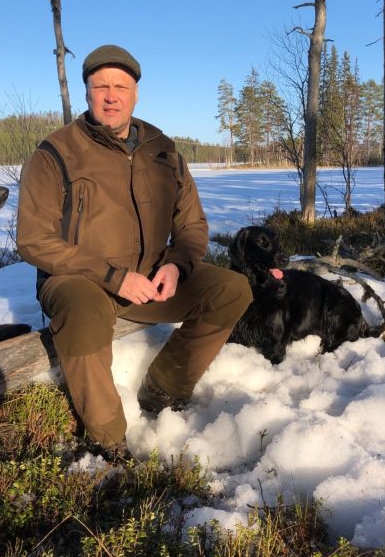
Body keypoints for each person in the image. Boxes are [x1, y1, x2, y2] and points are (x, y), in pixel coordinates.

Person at [17, 44, 252, 460]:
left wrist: (177, 267)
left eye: (121, 87)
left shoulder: (163, 150)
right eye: (101, 87)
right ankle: (109, 439)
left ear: (136, 93)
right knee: (82, 309)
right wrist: (113, 276)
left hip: (149, 279)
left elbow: (192, 226)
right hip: (79, 280)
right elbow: (34, 239)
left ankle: (165, 388)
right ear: (87, 92)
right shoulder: (55, 153)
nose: (111, 97)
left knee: (232, 289)